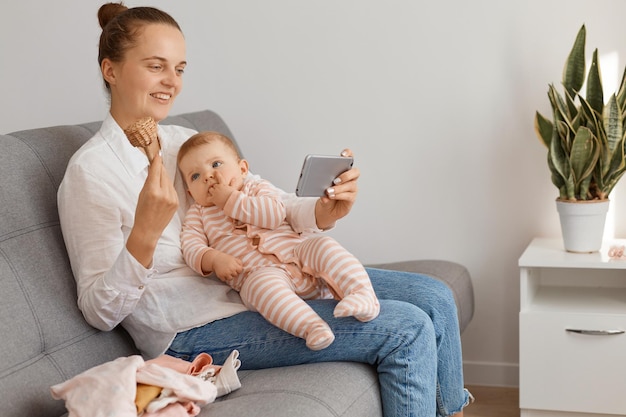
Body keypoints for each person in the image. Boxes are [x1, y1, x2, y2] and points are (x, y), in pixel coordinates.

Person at [57, 3, 471, 416]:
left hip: (264, 275)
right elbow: (98, 311)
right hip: (192, 327)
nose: (172, 82)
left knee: (434, 296)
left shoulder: (185, 142)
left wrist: (326, 210)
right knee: (405, 327)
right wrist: (143, 235)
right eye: (156, 67)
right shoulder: (90, 174)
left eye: (180, 69)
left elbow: (265, 203)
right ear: (111, 71)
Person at [177, 131, 380, 351]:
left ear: (243, 169)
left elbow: (274, 214)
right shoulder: (198, 214)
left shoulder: (256, 188)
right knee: (259, 288)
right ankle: (311, 327)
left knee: (324, 245)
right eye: (195, 176)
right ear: (190, 192)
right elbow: (191, 246)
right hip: (260, 274)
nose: (208, 176)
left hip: (299, 253)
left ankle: (362, 295)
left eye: (216, 164)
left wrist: (230, 199)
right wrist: (213, 259)